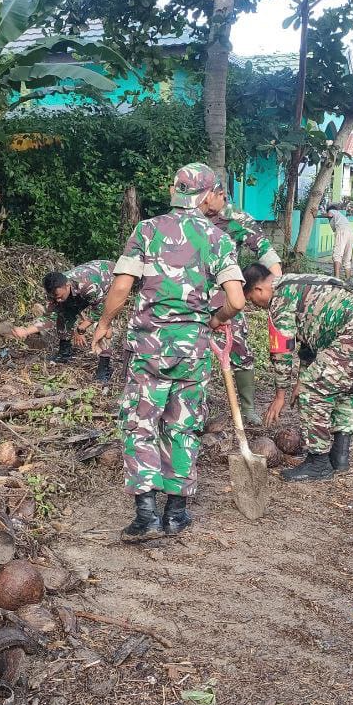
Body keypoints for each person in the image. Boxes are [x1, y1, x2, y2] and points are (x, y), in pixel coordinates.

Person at [91, 163, 244, 540]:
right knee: (183, 425)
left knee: (141, 423)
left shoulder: (147, 230)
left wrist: (104, 323)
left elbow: (122, 286)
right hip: (193, 350)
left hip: (150, 348)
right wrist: (214, 319)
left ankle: (146, 516)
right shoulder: (217, 238)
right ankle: (176, 513)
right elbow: (237, 300)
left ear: (175, 191)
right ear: (206, 195)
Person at [246, 267, 353, 482]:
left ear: (258, 289)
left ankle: (318, 464)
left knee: (312, 391)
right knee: (344, 389)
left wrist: (280, 395)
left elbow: (282, 352)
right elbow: (310, 344)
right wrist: (302, 377)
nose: (255, 305)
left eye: (251, 299)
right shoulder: (299, 282)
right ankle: (339, 457)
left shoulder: (280, 299)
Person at [208, 199, 283, 425]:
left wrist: (279, 285)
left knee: (240, 346)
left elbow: (264, 248)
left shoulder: (236, 217)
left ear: (220, 193)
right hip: (188, 293)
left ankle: (248, 408)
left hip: (224, 292)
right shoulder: (188, 213)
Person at [13, 260, 125, 382]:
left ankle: (104, 367)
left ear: (67, 285)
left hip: (110, 278)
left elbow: (100, 311)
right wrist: (26, 331)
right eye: (55, 297)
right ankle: (64, 352)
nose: (58, 300)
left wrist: (81, 328)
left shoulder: (87, 285)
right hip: (82, 289)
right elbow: (49, 317)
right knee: (63, 312)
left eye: (60, 296)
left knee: (104, 324)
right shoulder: (54, 292)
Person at [325, 203, 353, 280]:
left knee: (337, 254)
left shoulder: (332, 211)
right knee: (347, 257)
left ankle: (336, 277)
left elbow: (329, 215)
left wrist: (316, 215)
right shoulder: (340, 216)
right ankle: (348, 279)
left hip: (342, 231)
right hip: (350, 233)